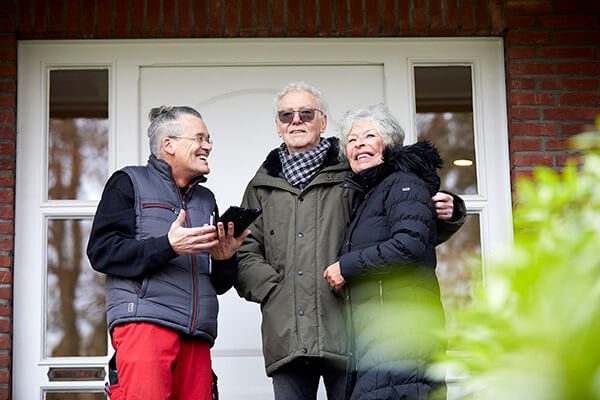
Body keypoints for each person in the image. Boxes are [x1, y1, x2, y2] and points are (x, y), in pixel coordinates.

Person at [235, 82, 465, 400]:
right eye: (286, 114)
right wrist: (273, 291)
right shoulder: (261, 186)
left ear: (323, 122)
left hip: (347, 332)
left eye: (306, 113)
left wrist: (450, 211)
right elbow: (244, 249)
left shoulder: (355, 171)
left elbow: (403, 231)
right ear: (278, 125)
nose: (296, 120)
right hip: (286, 334)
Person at [87, 106, 248, 400]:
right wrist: (168, 246)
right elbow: (102, 251)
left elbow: (217, 283)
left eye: (209, 139)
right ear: (168, 145)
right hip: (145, 326)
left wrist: (224, 260)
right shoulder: (128, 182)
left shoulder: (205, 199)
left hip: (197, 336)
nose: (207, 147)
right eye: (199, 138)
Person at [323, 104, 448, 400]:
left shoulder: (403, 184)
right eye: (352, 140)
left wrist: (346, 265)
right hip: (377, 342)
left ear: (390, 144)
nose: (359, 144)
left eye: (369, 136)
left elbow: (409, 245)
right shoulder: (369, 196)